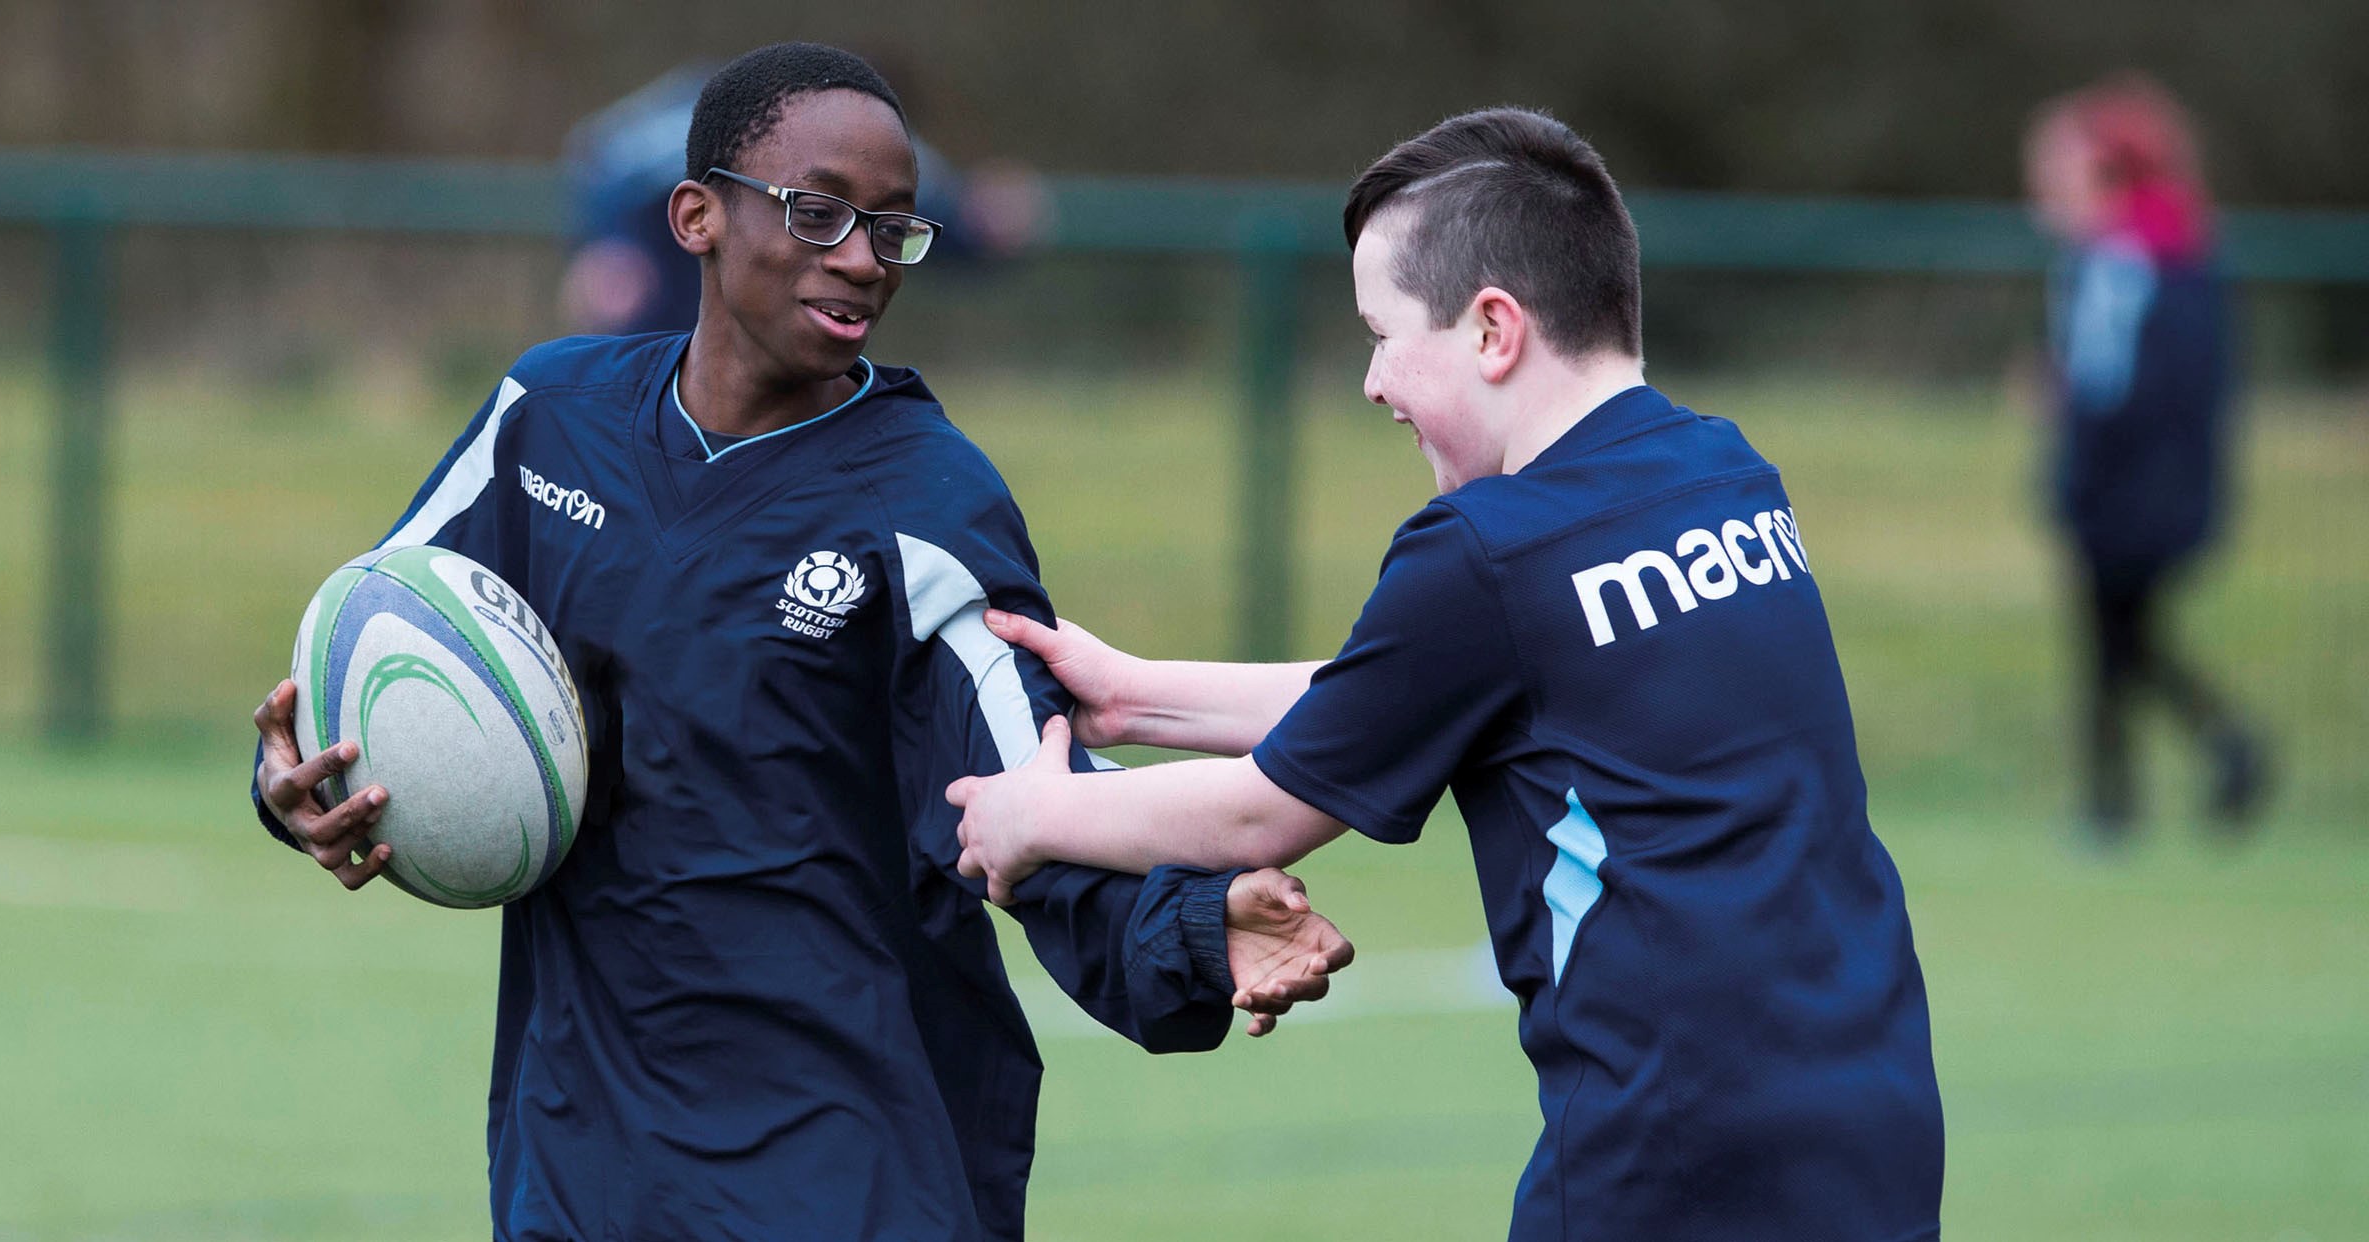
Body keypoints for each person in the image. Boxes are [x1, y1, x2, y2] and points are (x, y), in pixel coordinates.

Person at [248, 43, 1350, 1241]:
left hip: (850, 1162)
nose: (861, 259)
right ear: (696, 216)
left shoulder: (928, 506)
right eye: (818, 212)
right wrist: (296, 783)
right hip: (580, 1155)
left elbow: (1036, 797)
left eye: (893, 227)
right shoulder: (545, 422)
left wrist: (1194, 923)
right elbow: (373, 651)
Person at [946, 108, 1945, 1240]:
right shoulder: (1721, 476)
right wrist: (1136, 697)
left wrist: (1036, 813)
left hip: (1670, 1148)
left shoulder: (1489, 547)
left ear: (1491, 330)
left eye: (1379, 333)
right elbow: (1435, 691)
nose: (1371, 382)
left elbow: (1258, 814)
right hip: (1873, 1117)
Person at [2023, 76, 2266, 847]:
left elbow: (2105, 388)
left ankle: (2124, 800)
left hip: (2126, 492)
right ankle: (2199, 762)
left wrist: (2062, 439)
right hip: (2171, 485)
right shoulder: (2182, 249)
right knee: (2124, 638)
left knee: (2112, 640)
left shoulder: (2118, 262)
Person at [560, 61, 1048, 336]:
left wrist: (981, 225)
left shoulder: (870, 129)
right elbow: (604, 155)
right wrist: (610, 249)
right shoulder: (702, 114)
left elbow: (934, 215)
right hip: (664, 315)